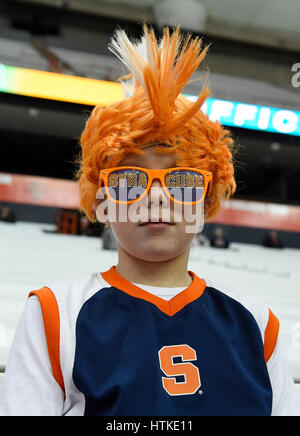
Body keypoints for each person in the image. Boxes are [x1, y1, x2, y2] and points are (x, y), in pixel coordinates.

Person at [0, 25, 299, 416]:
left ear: (205, 201)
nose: (156, 196)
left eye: (181, 180)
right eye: (129, 179)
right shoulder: (56, 314)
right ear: (102, 201)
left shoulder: (258, 325)